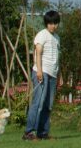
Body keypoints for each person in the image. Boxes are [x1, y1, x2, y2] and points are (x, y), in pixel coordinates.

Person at [23, 10, 60, 141]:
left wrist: (57, 75)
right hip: (42, 71)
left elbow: (56, 57)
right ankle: (29, 132)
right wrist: (39, 71)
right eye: (50, 23)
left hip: (52, 74)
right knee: (38, 103)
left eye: (55, 23)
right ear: (46, 23)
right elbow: (37, 53)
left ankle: (43, 133)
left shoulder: (56, 38)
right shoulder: (42, 35)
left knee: (48, 105)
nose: (53, 26)